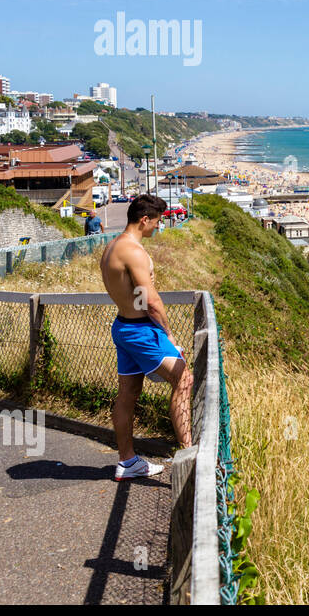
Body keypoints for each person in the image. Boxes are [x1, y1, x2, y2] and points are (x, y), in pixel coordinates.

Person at [100, 194, 192, 481]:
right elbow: (150, 301)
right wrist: (168, 333)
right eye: (158, 221)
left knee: (127, 395)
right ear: (144, 219)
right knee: (184, 379)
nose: (159, 226)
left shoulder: (111, 247)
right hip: (141, 330)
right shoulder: (134, 251)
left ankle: (128, 462)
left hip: (123, 326)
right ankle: (190, 457)